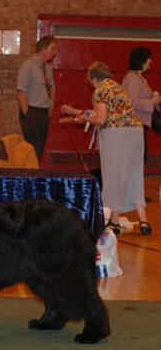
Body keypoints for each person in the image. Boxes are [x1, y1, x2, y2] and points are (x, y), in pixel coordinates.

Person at [61, 61, 151, 236]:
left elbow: (101, 120)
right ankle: (144, 221)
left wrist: (84, 119)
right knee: (134, 175)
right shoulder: (117, 88)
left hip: (116, 135)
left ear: (94, 78)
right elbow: (103, 112)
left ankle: (114, 222)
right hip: (135, 133)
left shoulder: (100, 90)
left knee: (112, 175)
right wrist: (74, 112)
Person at [16, 36, 57, 163]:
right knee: (32, 147)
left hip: (43, 112)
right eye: (52, 48)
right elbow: (21, 91)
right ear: (43, 49)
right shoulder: (28, 66)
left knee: (40, 148)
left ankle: (36, 173)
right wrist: (27, 113)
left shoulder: (47, 69)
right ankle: (30, 174)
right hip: (32, 111)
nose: (55, 52)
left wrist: (50, 108)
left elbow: (51, 89)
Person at [122, 47, 161, 163]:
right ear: (142, 60)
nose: (151, 61)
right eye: (149, 58)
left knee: (139, 158)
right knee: (137, 159)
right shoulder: (132, 78)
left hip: (139, 123)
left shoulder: (138, 78)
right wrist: (152, 101)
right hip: (135, 124)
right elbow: (132, 102)